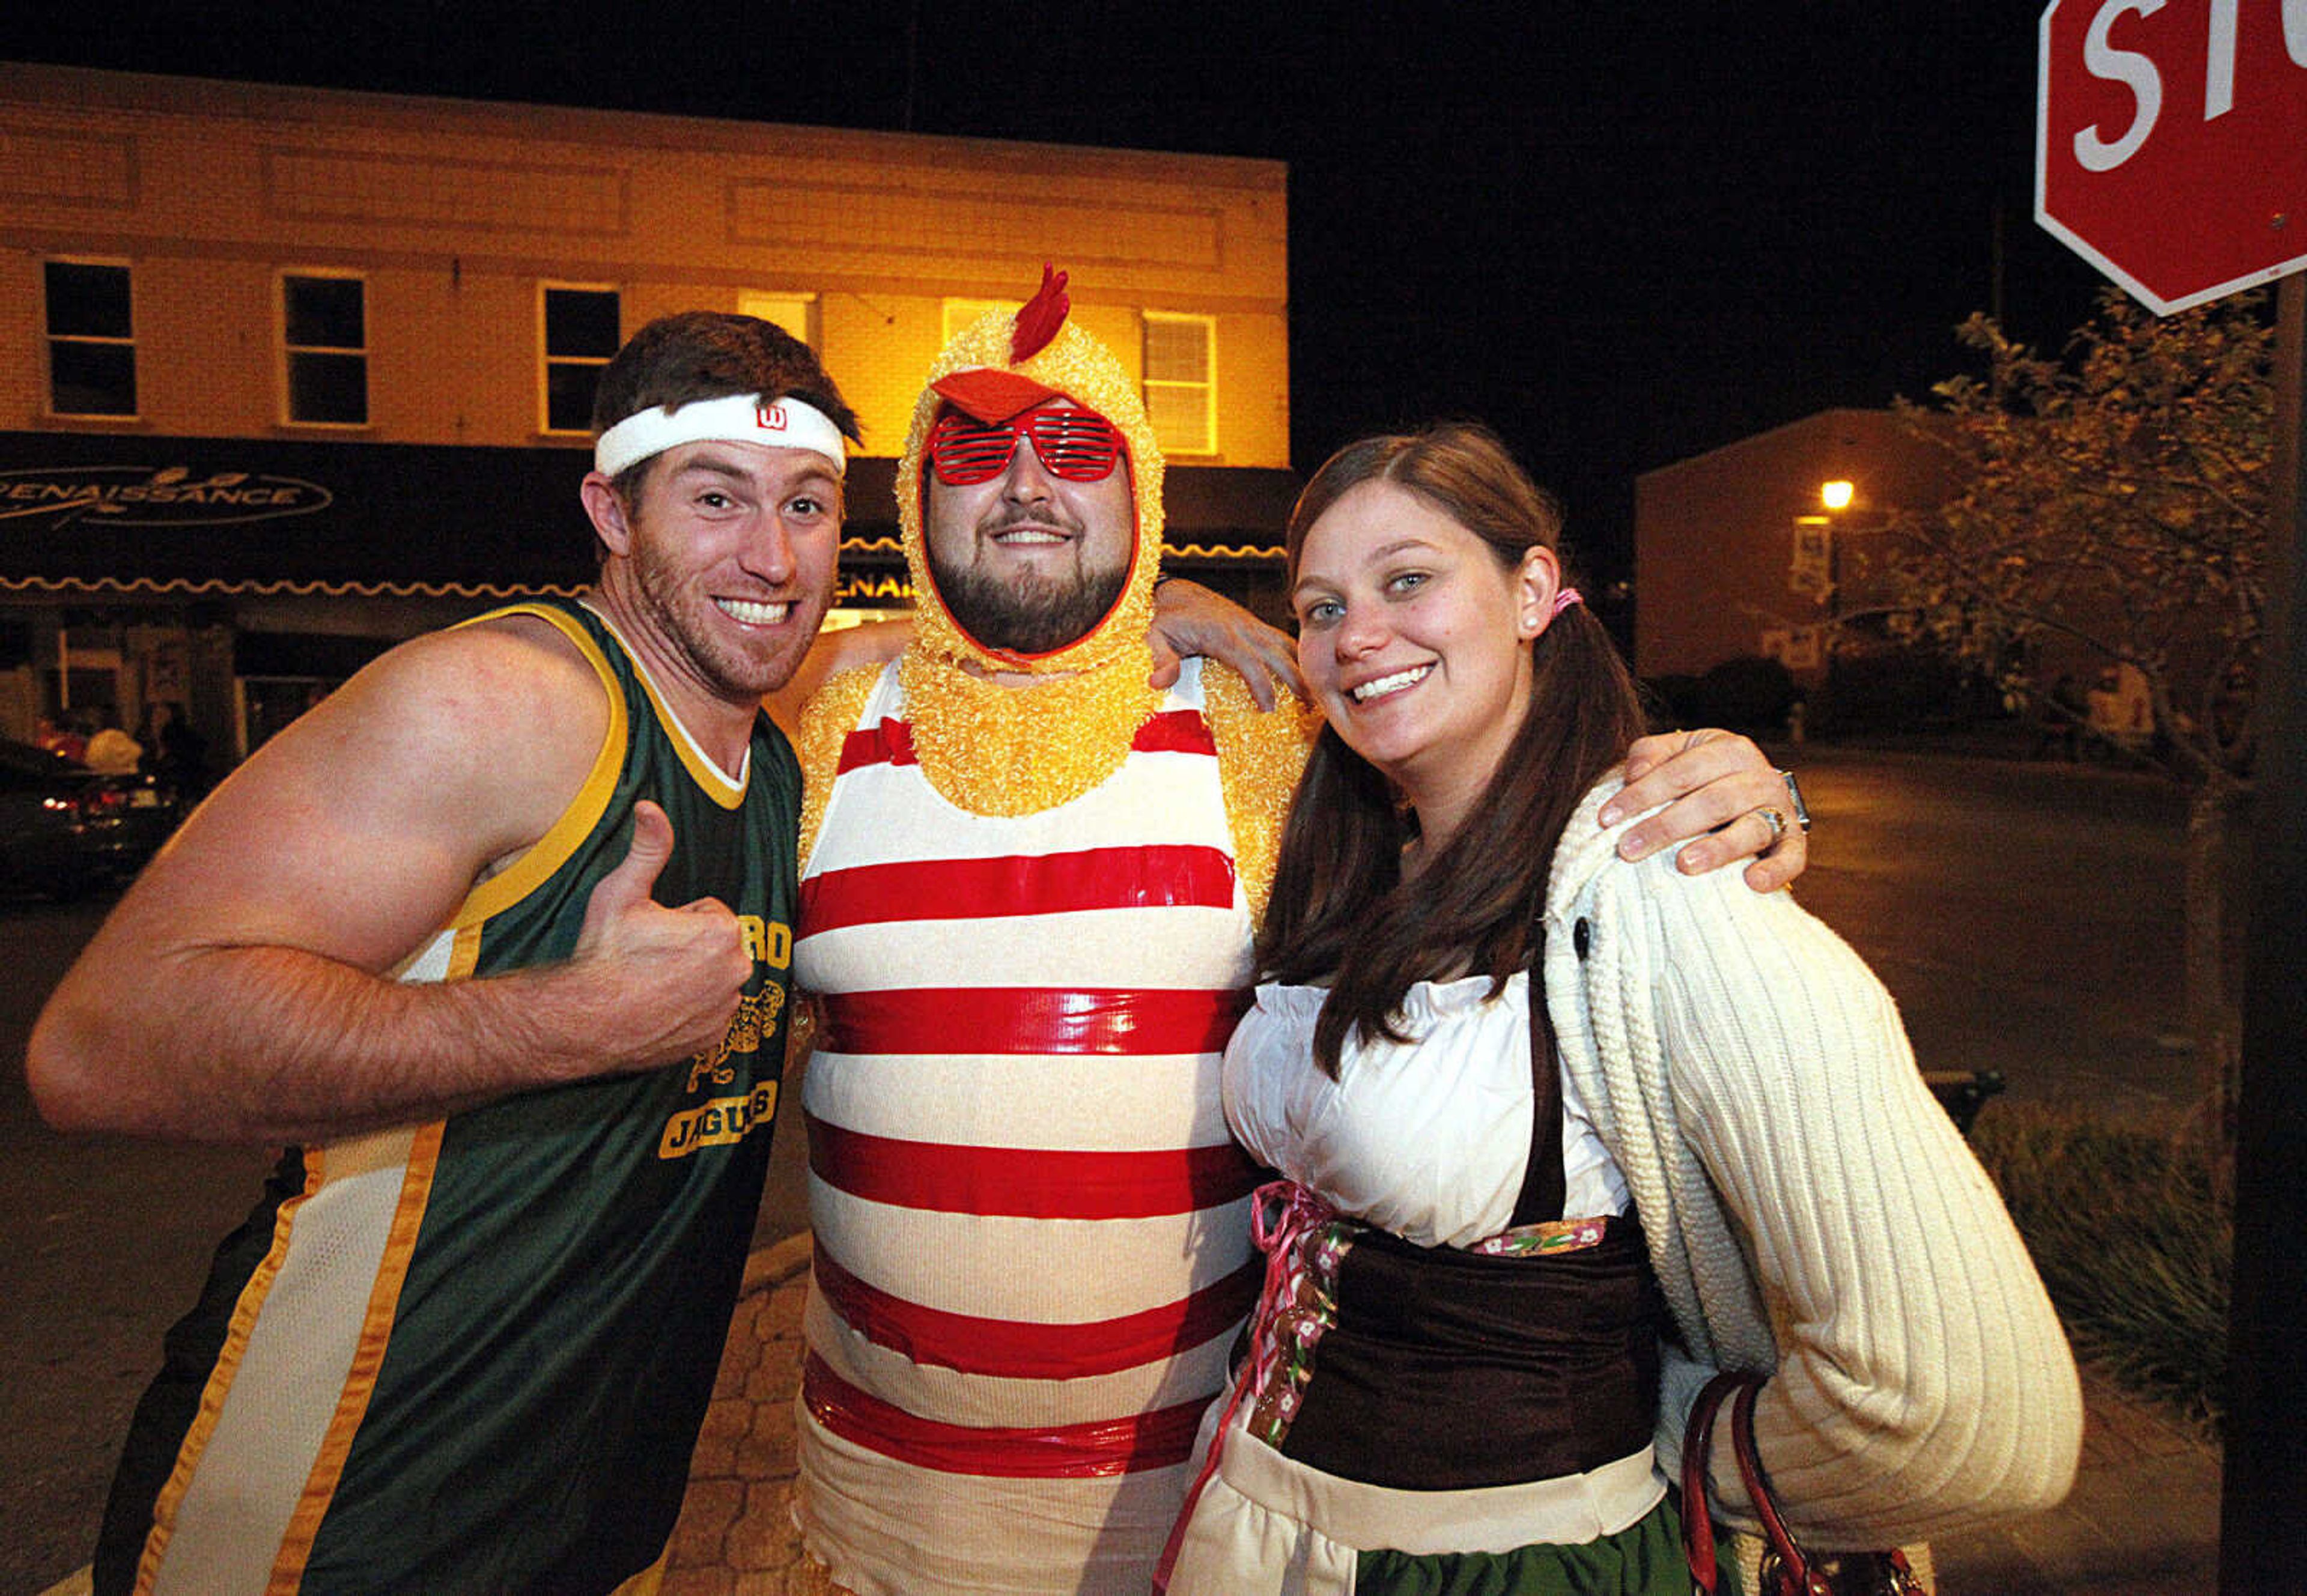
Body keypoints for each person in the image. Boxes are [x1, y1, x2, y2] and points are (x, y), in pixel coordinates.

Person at [783, 272, 1820, 1596]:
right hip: (883, 1489)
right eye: (975, 450)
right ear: (916, 501)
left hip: (1195, 1493)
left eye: (1077, 445)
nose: (1027, 485)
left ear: (1142, 492)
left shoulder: (1265, 723)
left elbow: (1493, 783)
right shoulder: (817, 720)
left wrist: (1742, 794)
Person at [1157, 423, 2082, 1594]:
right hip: (1264, 1537)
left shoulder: (1660, 883)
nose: (1360, 637)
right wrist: (1174, 598)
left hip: (1510, 1563)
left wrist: (1682, 1438)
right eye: (1322, 606)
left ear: (1536, 588)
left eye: (1409, 581)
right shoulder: (1356, 862)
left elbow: (1966, 1412)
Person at [26, 311, 859, 1594]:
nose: (772, 554)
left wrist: (1162, 607)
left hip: (591, 1519)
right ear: (612, 511)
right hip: (343, 1509)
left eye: (808, 506)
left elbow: (935, 644)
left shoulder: (777, 731)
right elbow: (96, 1046)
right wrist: (568, 1024)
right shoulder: (500, 699)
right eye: (716, 498)